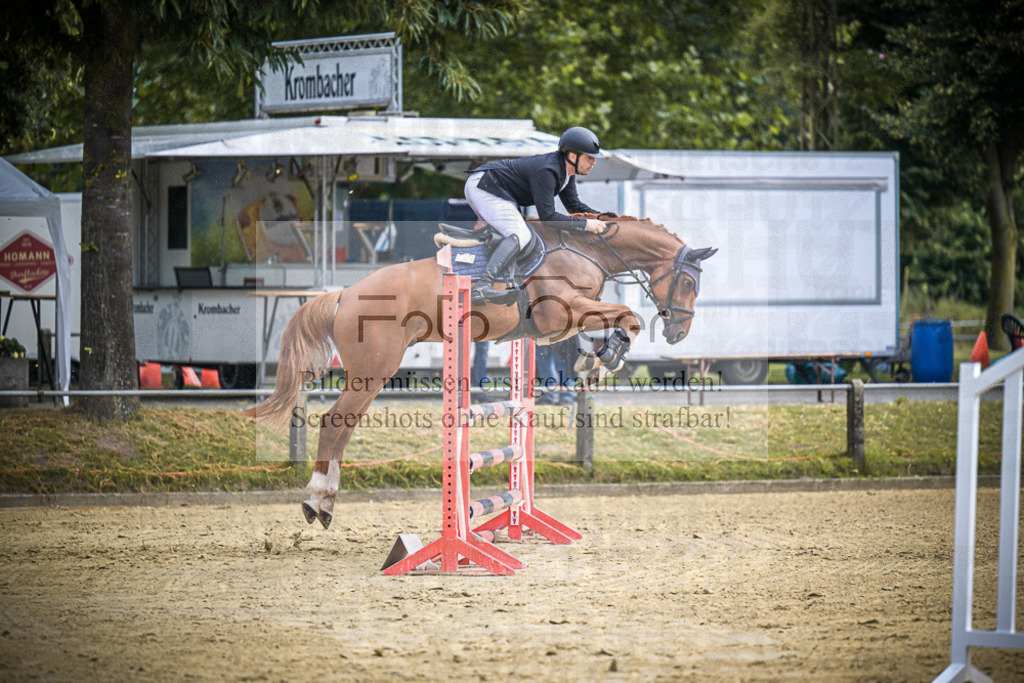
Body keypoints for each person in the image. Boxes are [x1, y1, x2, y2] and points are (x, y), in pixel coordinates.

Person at [463, 126, 614, 306]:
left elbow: (574, 205)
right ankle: (482, 286)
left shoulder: (566, 171)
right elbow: (548, 218)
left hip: (495, 189)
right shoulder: (548, 171)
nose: (593, 163)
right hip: (485, 187)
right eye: (589, 157)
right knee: (521, 235)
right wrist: (585, 225)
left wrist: (603, 218)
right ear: (573, 156)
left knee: (521, 234)